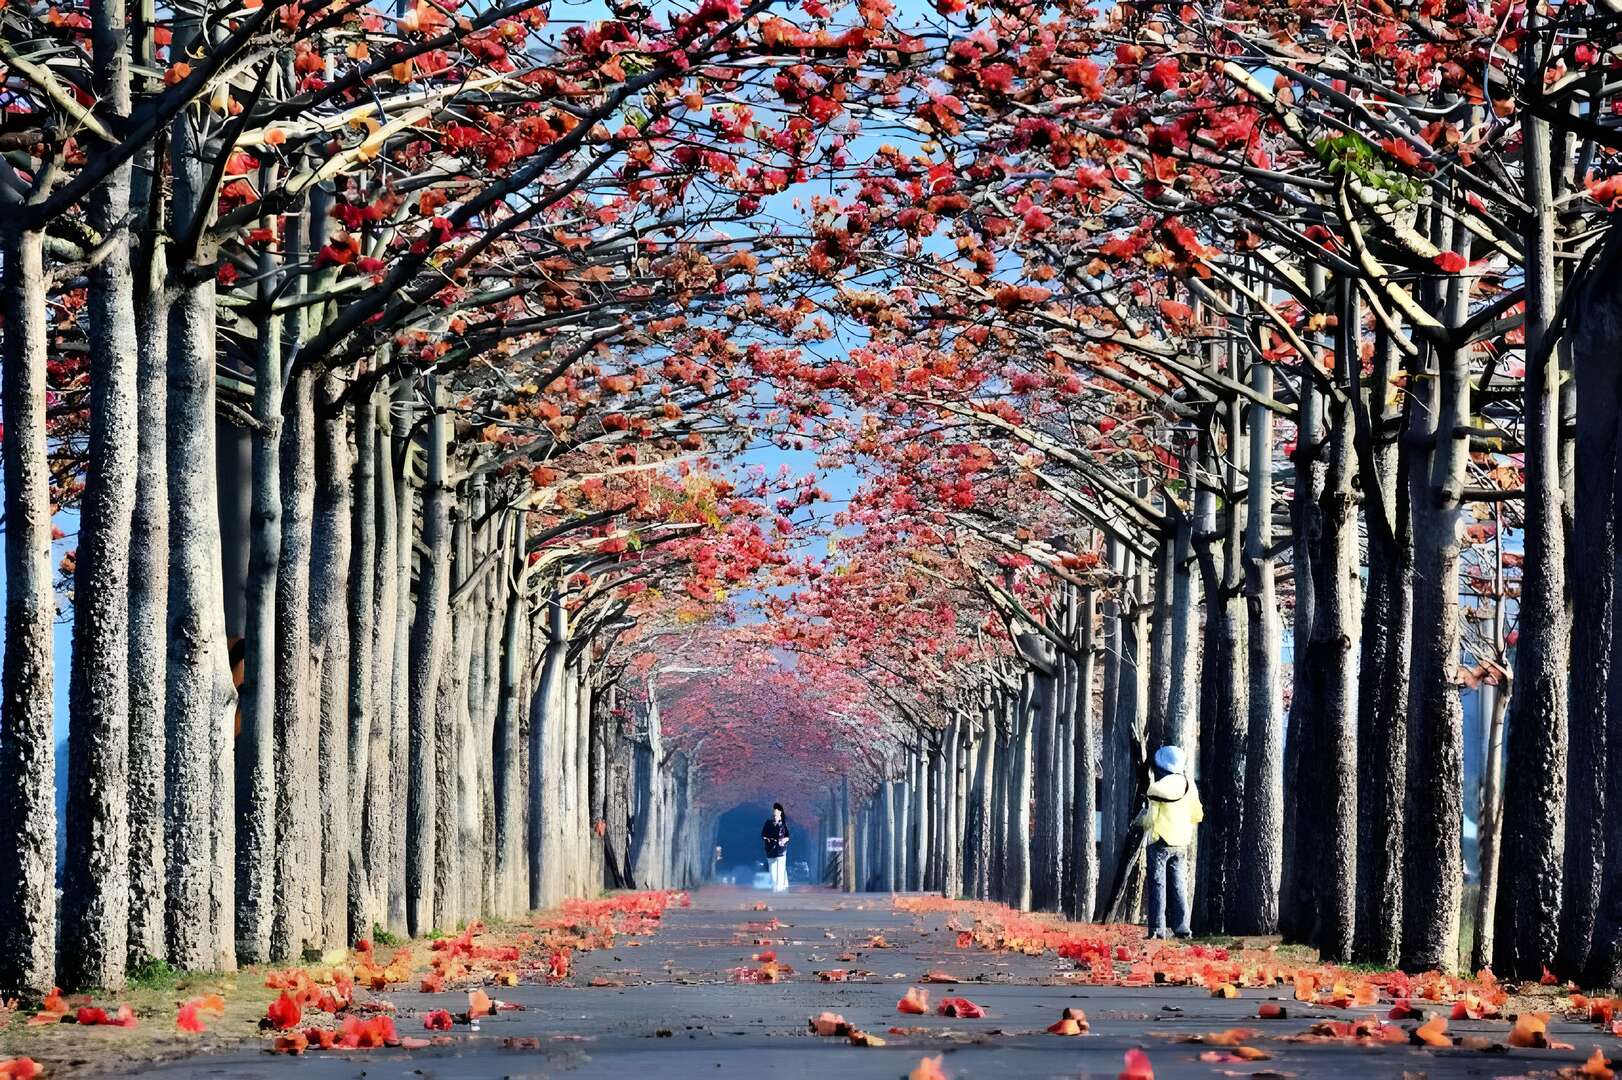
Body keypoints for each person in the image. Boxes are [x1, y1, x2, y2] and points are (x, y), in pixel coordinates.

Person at [1137, 745, 1203, 939]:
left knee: (1158, 885)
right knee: (1179, 885)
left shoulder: (1158, 788)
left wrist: (1139, 823)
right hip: (1181, 842)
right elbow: (1198, 814)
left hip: (1160, 841)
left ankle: (1157, 930)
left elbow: (1150, 818)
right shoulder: (1190, 786)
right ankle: (1183, 928)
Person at [761, 803, 790, 892]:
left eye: (777, 814)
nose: (775, 816)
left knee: (781, 868)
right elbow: (763, 835)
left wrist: (784, 840)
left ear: (780, 814)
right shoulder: (768, 823)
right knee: (772, 869)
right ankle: (774, 886)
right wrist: (768, 839)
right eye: (774, 814)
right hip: (770, 849)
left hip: (781, 850)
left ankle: (780, 887)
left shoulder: (784, 824)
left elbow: (787, 836)